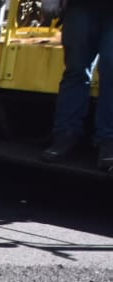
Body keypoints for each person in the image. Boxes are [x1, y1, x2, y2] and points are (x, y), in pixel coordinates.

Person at [40, 0, 113, 170]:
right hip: (80, 6)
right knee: (76, 71)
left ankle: (108, 141)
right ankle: (65, 135)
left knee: (110, 70)